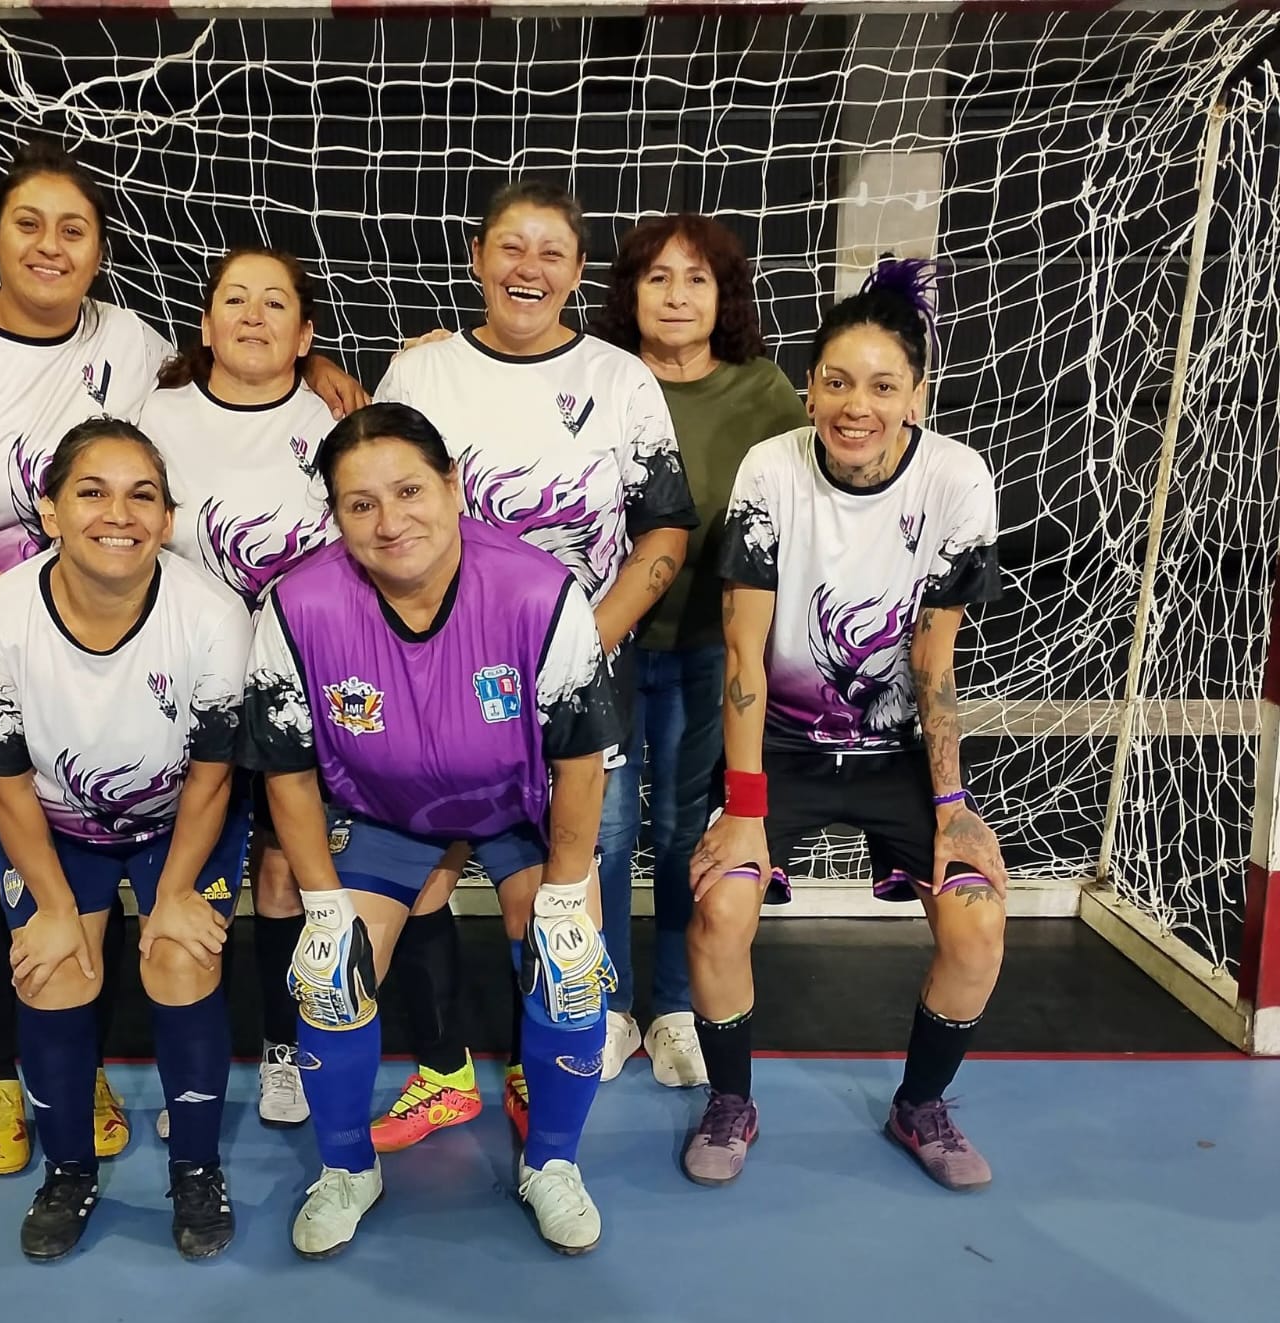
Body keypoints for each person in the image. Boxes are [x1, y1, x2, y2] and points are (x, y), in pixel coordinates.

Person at [0, 140, 364, 1176]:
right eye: (29, 223)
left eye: (74, 229)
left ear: (100, 251)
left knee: (248, 862)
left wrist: (313, 372)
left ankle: (126, 1070)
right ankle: (6, 1080)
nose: (50, 246)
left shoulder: (133, 347)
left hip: (142, 664)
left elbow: (235, 374)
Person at [243, 404, 621, 1256]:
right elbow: (287, 774)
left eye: (409, 490)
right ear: (336, 516)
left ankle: (553, 1164)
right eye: (361, 504)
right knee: (330, 975)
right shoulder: (297, 606)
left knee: (569, 969)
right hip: (384, 809)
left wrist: (565, 901)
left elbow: (579, 762)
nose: (390, 521)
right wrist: (323, 908)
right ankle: (347, 1170)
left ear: (453, 485)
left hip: (521, 805)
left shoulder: (540, 592)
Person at [374, 180, 696, 1136]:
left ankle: (549, 1066)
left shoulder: (619, 380)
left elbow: (665, 527)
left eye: (552, 251)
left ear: (578, 272)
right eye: (511, 247)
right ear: (477, 259)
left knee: (578, 866)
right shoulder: (421, 375)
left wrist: (582, 645)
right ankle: (443, 1069)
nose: (529, 267)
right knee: (427, 866)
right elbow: (373, 511)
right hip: (437, 683)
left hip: (576, 682)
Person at [685, 259, 1007, 1190]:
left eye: (882, 386)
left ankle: (921, 1106)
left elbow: (934, 659)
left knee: (979, 924)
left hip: (895, 749)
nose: (856, 406)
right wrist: (745, 806)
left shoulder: (956, 478)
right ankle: (730, 1101)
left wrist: (952, 804)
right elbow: (743, 654)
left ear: (917, 396)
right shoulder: (770, 470)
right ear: (810, 388)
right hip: (780, 747)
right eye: (836, 382)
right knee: (719, 908)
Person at [0, 418, 252, 1261]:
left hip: (178, 820)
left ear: (167, 519)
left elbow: (212, 778)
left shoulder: (213, 616)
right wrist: (51, 907)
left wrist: (175, 894)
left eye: (141, 495)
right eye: (92, 492)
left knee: (180, 958)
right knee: (55, 972)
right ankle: (69, 1173)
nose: (118, 514)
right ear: (50, 512)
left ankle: (196, 1170)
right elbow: (6, 787)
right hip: (54, 824)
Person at [587, 213, 807, 1088]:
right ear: (629, 294)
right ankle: (605, 1006)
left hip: (710, 649)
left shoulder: (762, 390)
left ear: (725, 297)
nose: (677, 296)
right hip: (603, 643)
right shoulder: (595, 375)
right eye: (657, 278)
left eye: (697, 279)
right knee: (603, 832)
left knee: (685, 833)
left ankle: (676, 1006)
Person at [138, 246, 339, 1131]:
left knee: (287, 871)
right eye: (235, 300)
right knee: (191, 870)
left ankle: (286, 1050)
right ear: (207, 323)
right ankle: (191, 1067)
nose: (253, 316)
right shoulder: (157, 415)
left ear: (305, 334)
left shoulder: (334, 420)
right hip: (188, 692)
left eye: (274, 303)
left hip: (304, 689)